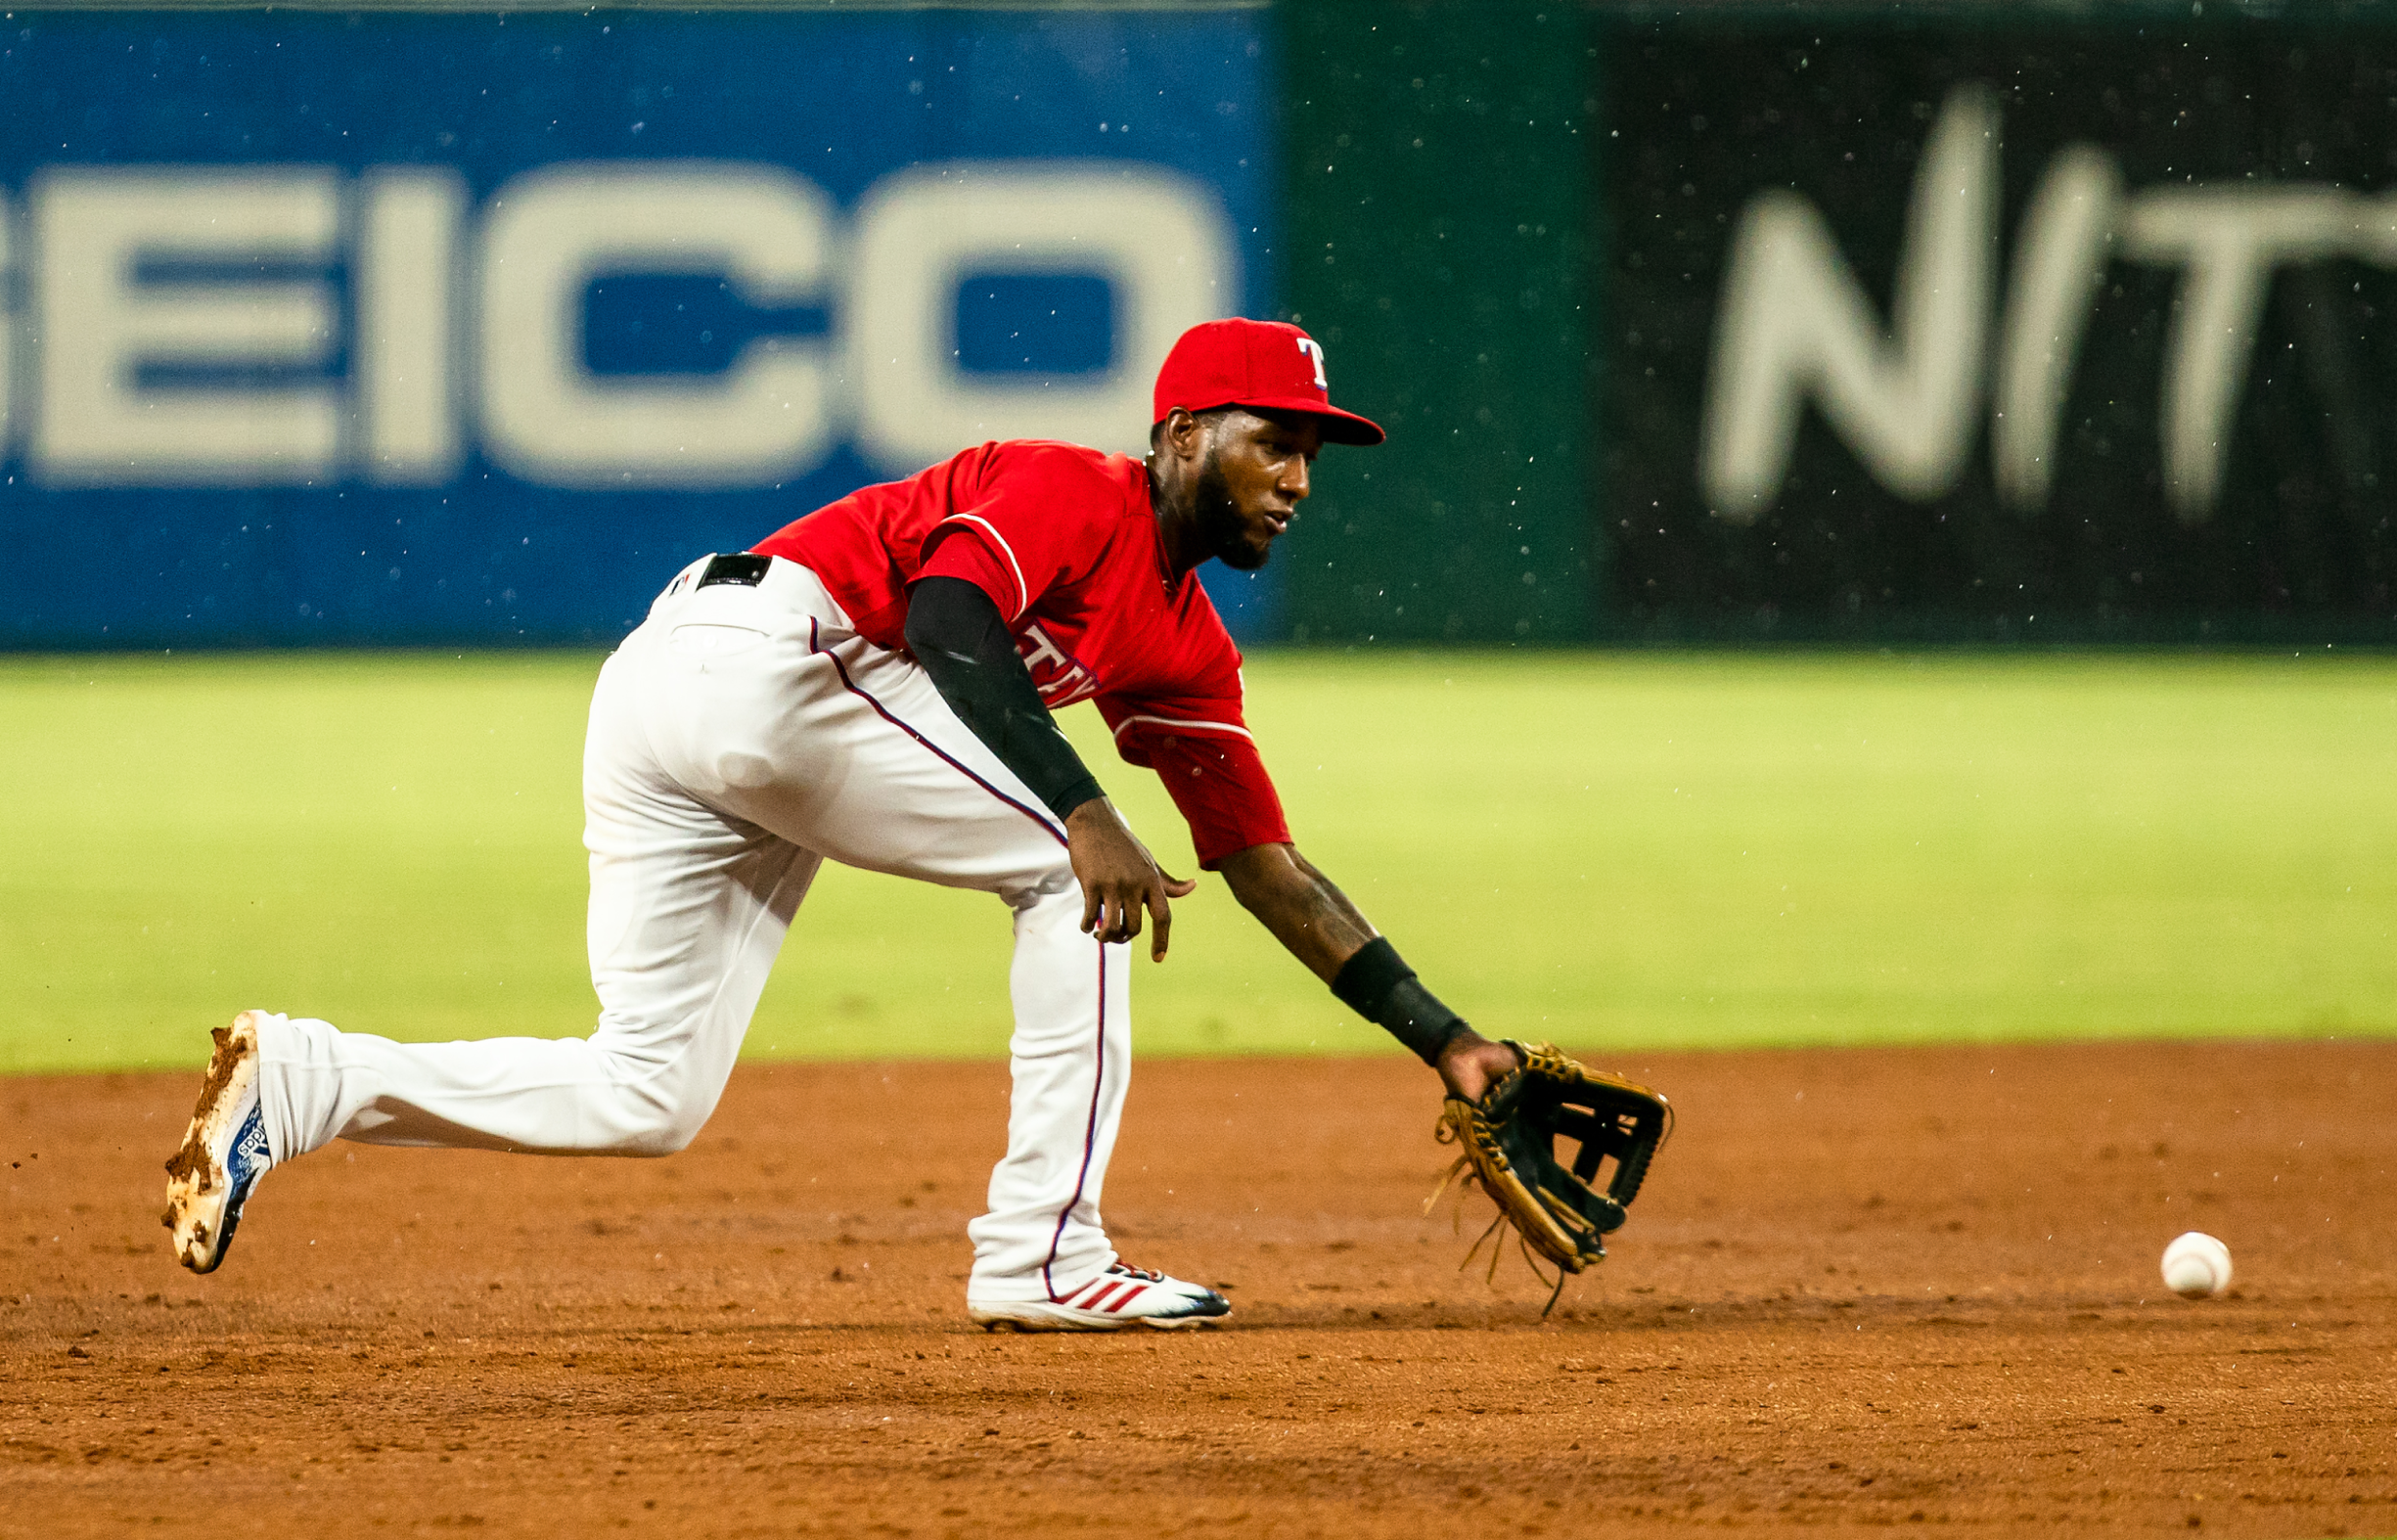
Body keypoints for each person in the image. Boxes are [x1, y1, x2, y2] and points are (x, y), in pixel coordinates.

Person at [162, 317, 1521, 1332]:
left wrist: (1447, 1039)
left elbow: (1266, 870)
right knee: (1085, 875)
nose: (1298, 475)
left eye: (1313, 452)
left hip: (705, 708)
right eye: (1273, 440)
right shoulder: (1075, 490)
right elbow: (943, 617)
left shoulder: (1186, 649)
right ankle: (1043, 1256)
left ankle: (305, 1080)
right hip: (758, 665)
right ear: (1180, 437)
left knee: (648, 1095)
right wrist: (1087, 812)